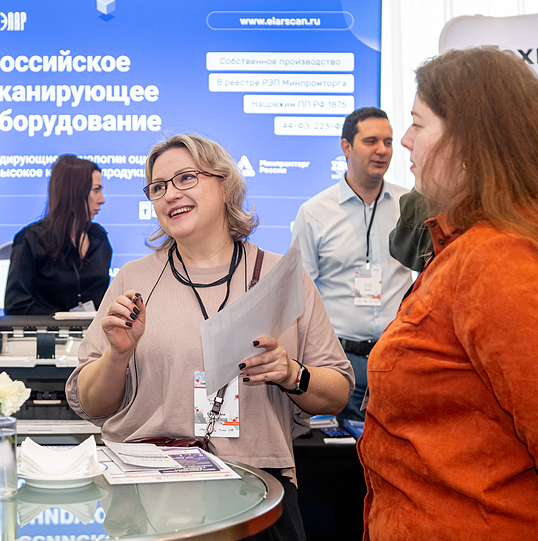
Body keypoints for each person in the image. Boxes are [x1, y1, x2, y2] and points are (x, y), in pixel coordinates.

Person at [66, 134, 353, 541]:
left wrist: (292, 374)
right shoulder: (134, 280)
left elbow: (337, 392)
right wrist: (117, 355)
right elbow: (92, 404)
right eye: (158, 187)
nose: (170, 195)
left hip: (258, 491)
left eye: (186, 178)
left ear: (225, 184)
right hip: (150, 495)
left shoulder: (281, 276)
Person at [358, 47, 538, 540]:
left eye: (416, 124)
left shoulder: (499, 260)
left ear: (469, 141)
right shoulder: (467, 246)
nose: (405, 141)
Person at [292, 108, 412, 421]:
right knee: (339, 450)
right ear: (346, 147)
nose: (382, 150)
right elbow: (299, 293)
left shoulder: (410, 207)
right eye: (371, 141)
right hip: (340, 361)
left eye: (388, 142)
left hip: (399, 356)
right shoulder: (314, 212)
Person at [4, 154, 112, 315]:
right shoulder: (32, 240)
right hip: (46, 331)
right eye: (96, 190)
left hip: (95, 331)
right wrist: (62, 319)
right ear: (74, 192)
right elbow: (16, 306)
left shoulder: (99, 238)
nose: (102, 200)